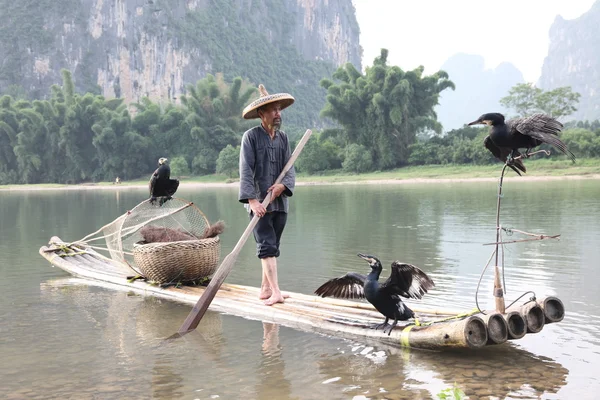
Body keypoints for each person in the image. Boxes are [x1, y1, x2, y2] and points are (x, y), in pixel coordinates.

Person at [239, 84, 296, 306]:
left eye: (279, 109)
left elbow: (289, 168)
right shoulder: (250, 137)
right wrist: (252, 200)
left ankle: (265, 289)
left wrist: (283, 186)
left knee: (273, 247)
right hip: (260, 205)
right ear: (262, 114)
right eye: (273, 110)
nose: (277, 114)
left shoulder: (283, 139)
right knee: (266, 247)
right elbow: (245, 169)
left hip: (280, 204)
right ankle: (276, 292)